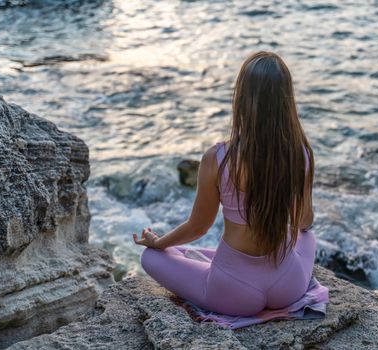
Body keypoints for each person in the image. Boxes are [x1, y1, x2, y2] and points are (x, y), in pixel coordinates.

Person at [133, 51, 316, 316]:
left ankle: (197, 258)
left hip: (233, 292)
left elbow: (198, 227)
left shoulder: (217, 158)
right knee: (308, 237)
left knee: (150, 257)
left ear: (241, 99)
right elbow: (303, 222)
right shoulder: (301, 154)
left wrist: (158, 243)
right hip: (288, 287)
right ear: (287, 101)